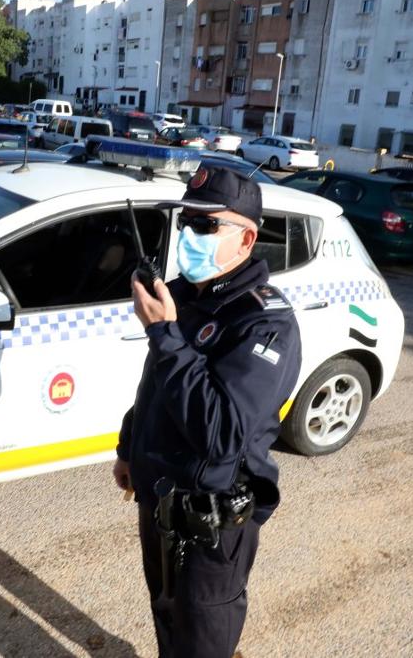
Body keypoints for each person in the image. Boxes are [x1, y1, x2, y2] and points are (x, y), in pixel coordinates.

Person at [114, 165, 302, 658]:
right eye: (186, 223)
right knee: (164, 612)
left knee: (202, 637)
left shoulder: (265, 322)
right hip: (158, 499)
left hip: (212, 520)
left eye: (204, 225)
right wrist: (128, 448)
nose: (188, 236)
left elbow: (220, 433)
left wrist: (165, 336)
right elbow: (154, 385)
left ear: (245, 240)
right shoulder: (180, 295)